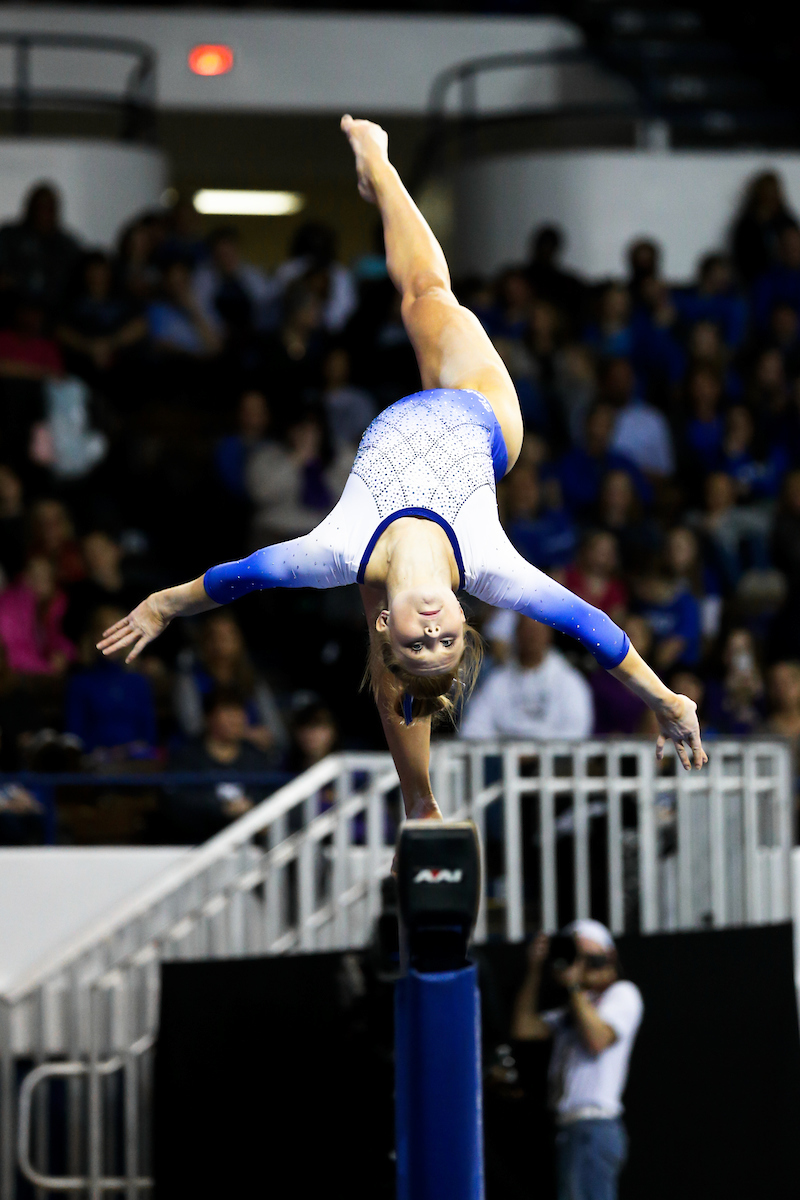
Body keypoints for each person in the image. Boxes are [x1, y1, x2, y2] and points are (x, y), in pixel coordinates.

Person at [99, 115, 707, 832]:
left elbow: (239, 576)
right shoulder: (489, 567)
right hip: (479, 412)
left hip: (394, 459)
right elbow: (595, 629)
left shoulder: (337, 552)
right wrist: (666, 699)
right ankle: (380, 166)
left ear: (390, 628)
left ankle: (418, 797)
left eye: (416, 643)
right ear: (463, 620)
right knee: (426, 294)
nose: (431, 632)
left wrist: (164, 605)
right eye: (445, 641)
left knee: (378, 612)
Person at [511, 920, 643, 1200]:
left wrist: (573, 986)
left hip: (593, 1127)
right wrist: (534, 969)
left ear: (608, 955)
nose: (580, 964)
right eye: (575, 955)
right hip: (570, 1130)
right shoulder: (574, 1007)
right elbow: (523, 1028)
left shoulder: (623, 994)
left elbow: (597, 1040)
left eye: (587, 956)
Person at [163, 689, 274, 843]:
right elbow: (175, 804)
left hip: (250, 847)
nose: (236, 720)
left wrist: (252, 811)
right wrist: (221, 809)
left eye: (239, 712)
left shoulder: (257, 759)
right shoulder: (186, 758)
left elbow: (273, 799)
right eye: (228, 713)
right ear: (208, 717)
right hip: (196, 845)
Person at [460, 615, 593, 741]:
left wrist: (537, 751)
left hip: (553, 755)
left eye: (536, 631)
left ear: (549, 634)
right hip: (504, 755)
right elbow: (472, 728)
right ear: (516, 633)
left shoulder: (568, 681)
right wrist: (507, 751)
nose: (531, 637)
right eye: (526, 630)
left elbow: (577, 730)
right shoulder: (497, 681)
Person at [65, 607, 157, 758]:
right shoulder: (80, 683)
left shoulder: (138, 682)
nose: (113, 639)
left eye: (118, 632)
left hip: (135, 760)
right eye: (104, 632)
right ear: (93, 637)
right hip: (95, 760)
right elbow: (75, 734)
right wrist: (102, 752)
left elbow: (149, 732)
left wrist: (129, 750)